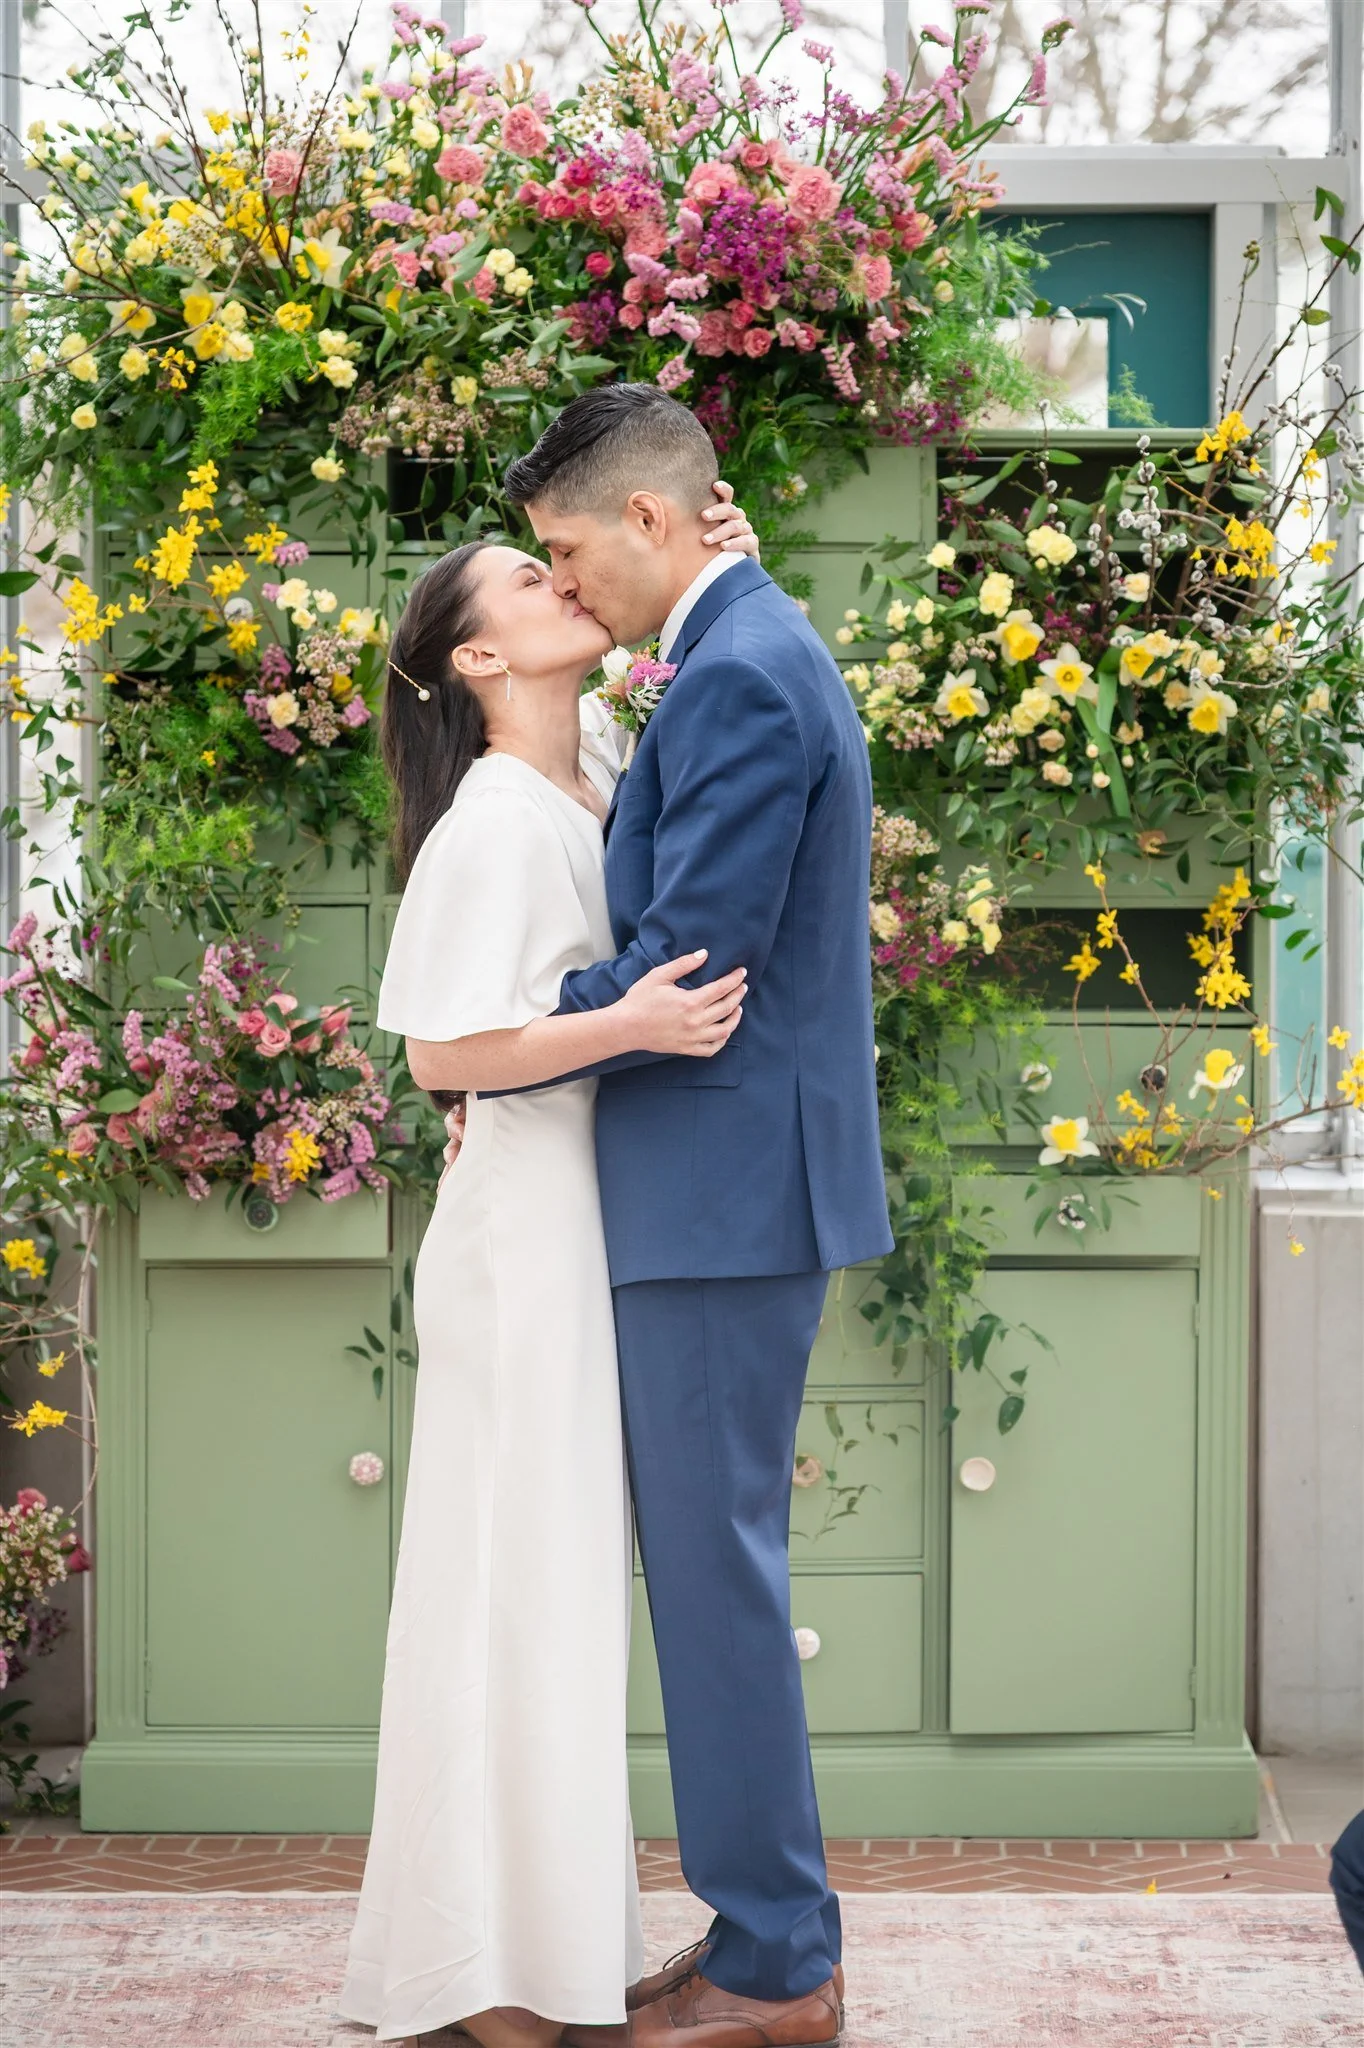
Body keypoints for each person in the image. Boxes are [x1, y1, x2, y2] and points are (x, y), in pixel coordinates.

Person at [337, 484, 761, 2048]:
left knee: (562, 1601)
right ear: (475, 658)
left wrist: (730, 559)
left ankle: (548, 1955)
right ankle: (482, 1979)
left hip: (587, 1230)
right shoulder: (491, 822)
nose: (562, 579)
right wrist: (629, 1025)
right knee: (505, 1594)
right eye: (528, 576)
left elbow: (705, 701)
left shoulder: (594, 774)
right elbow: (444, 1053)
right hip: (518, 1245)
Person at [501, 385, 892, 2048]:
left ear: (650, 520)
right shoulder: (742, 645)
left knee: (716, 1581)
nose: (563, 585)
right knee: (713, 1572)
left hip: (719, 1194)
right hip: (722, 1190)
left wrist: (501, 1033)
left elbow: (690, 961)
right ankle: (762, 1933)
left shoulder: (739, 672)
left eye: (566, 549)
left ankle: (776, 1965)